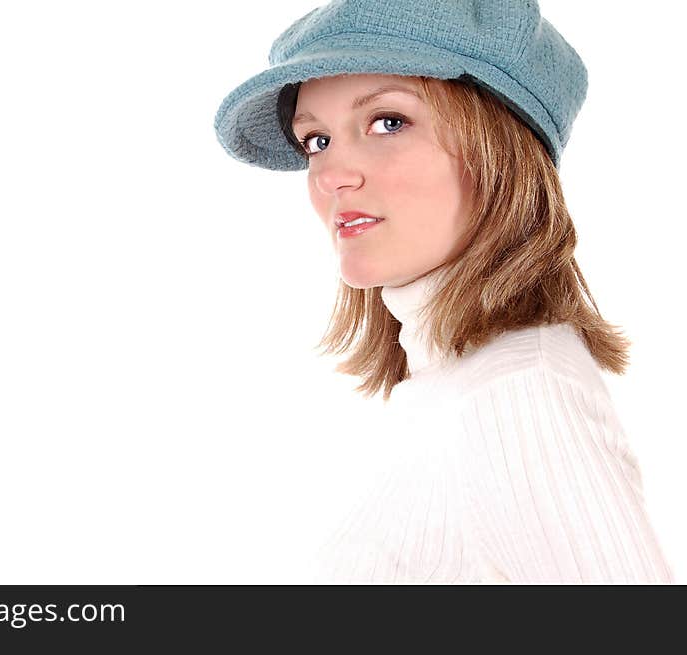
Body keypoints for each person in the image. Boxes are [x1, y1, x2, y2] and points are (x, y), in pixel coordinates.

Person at [212, 0, 675, 583]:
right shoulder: (455, 386)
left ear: (501, 151)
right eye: (316, 141)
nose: (331, 175)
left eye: (388, 122)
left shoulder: (519, 392)